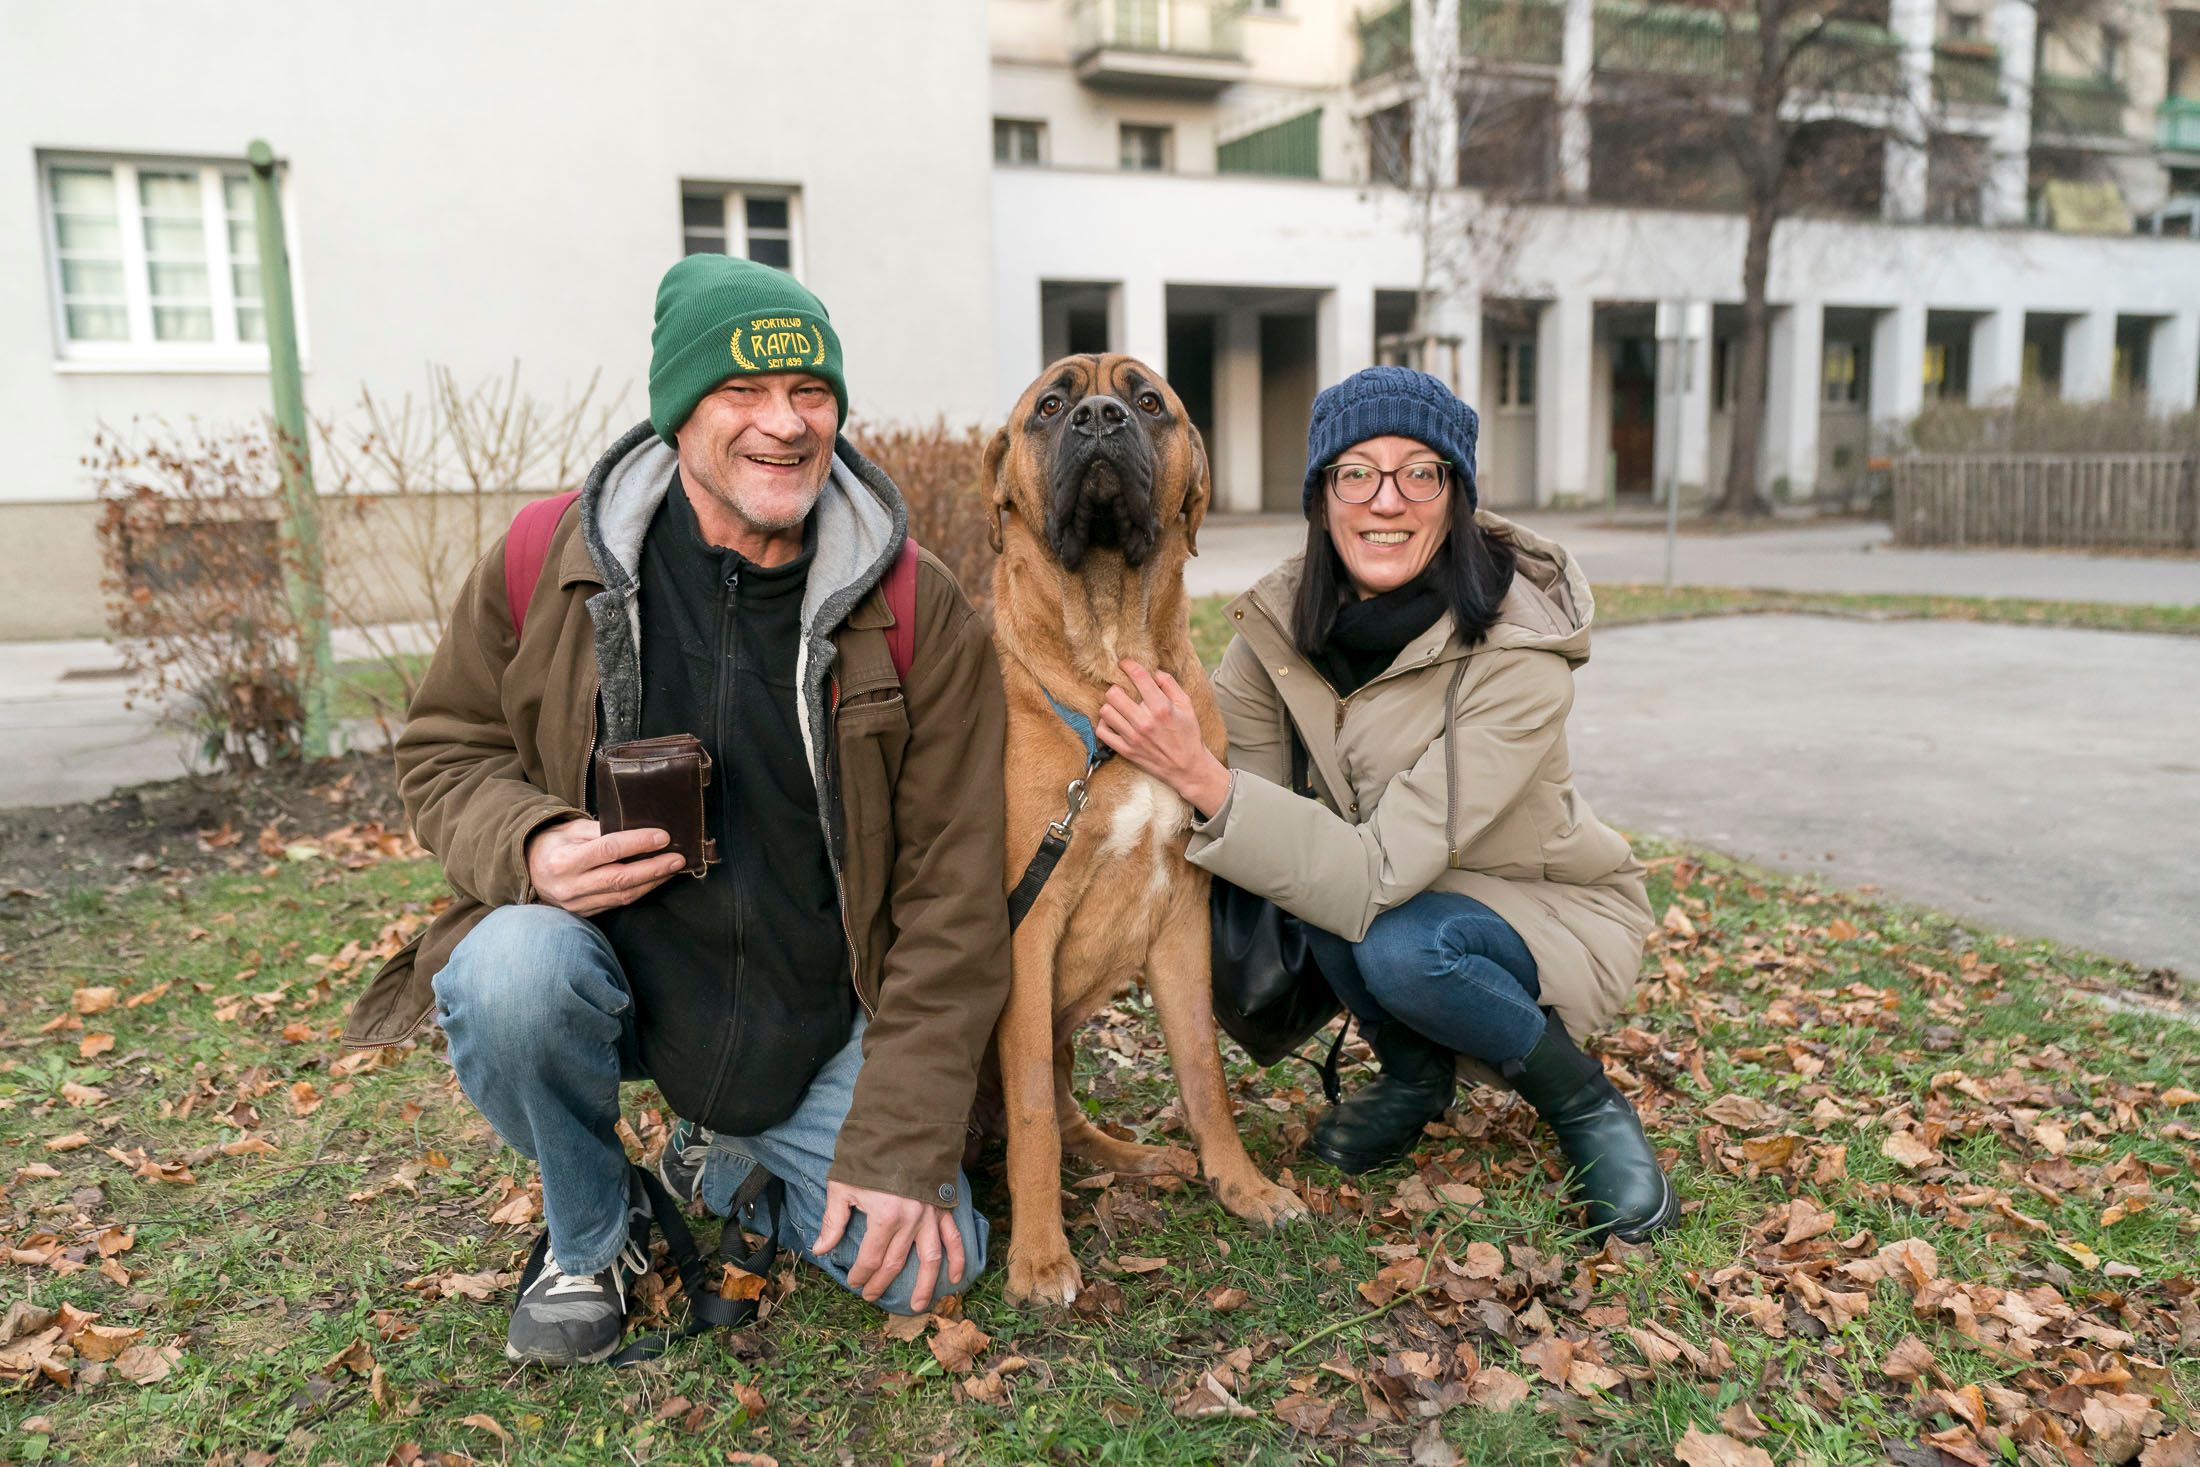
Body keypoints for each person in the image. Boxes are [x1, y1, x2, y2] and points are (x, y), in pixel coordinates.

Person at [340, 255, 1011, 1363]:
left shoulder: (910, 602)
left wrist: (899, 1144)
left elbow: (953, 893)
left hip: (813, 1011)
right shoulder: (546, 560)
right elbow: (447, 748)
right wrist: (530, 845)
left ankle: (731, 1149)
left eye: (810, 391)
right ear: (678, 411)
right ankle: (596, 1229)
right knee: (506, 973)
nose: (784, 423)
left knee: (929, 1272)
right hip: (616, 980)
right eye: (741, 391)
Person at [1092, 365, 1671, 1242]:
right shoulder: (1279, 631)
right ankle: (1414, 1076)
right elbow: (1255, 811)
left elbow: (1361, 864)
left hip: (1540, 909)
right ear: (1323, 498)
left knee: (1402, 947)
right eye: (1357, 473)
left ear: (1456, 496)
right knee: (1276, 871)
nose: (1386, 501)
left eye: (1419, 473)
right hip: (1385, 891)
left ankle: (1585, 1103)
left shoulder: (1519, 654)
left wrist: (1202, 777)